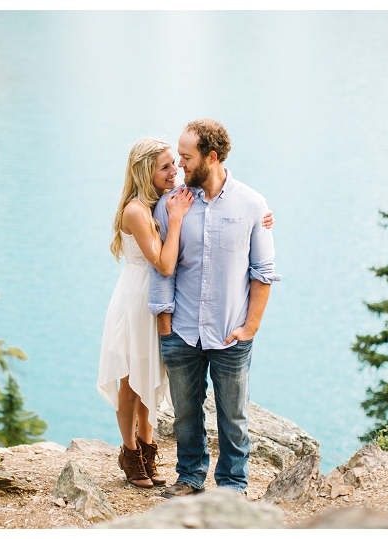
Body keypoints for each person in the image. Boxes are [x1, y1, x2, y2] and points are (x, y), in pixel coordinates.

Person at [98, 137, 273, 489]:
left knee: (151, 380)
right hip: (139, 303)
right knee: (132, 382)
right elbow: (165, 265)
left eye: (178, 161)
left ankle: (150, 453)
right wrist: (176, 219)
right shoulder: (148, 208)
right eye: (166, 165)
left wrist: (260, 218)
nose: (176, 168)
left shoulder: (168, 201)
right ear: (146, 170)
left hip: (169, 308)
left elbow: (244, 234)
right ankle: (132, 455)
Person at [148, 119, 281, 497]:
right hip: (181, 330)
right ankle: (190, 477)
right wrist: (164, 322)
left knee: (233, 416)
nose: (180, 167)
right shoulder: (171, 204)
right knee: (186, 414)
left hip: (230, 333)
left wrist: (250, 327)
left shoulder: (253, 205)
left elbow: (263, 273)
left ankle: (231, 486)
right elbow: (162, 269)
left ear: (212, 156)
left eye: (187, 158)